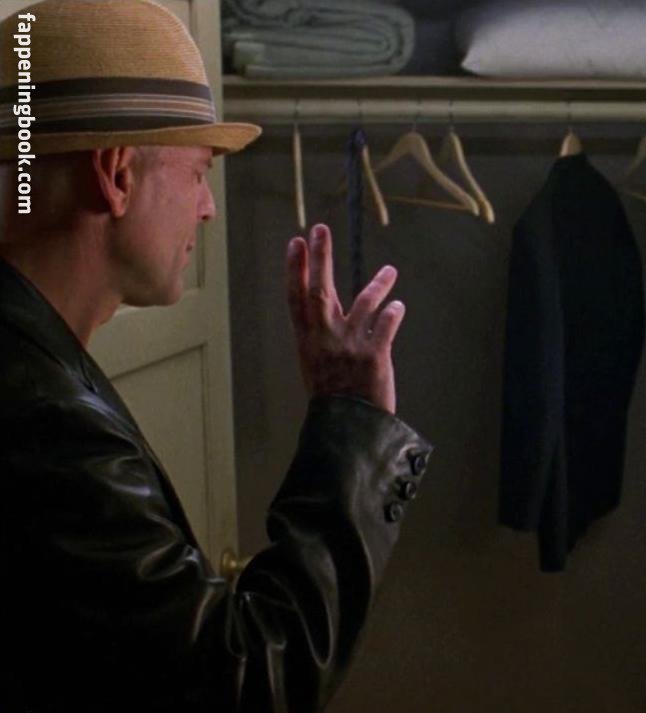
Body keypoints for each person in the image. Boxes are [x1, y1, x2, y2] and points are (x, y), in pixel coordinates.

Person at [0, 2, 431, 711]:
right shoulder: (46, 424)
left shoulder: (28, 356)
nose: (207, 207)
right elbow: (246, 681)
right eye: (199, 171)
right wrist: (354, 425)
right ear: (117, 175)